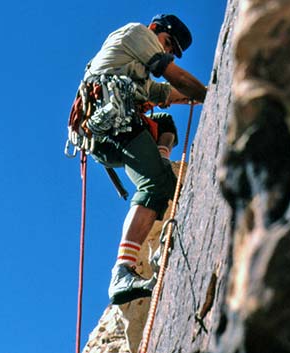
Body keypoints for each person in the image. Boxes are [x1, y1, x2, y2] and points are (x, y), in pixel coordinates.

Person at [81, 14, 207, 304]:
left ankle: (159, 163)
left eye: (173, 51)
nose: (168, 52)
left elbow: (165, 93)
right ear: (155, 30)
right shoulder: (137, 34)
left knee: (165, 124)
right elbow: (175, 76)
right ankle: (122, 272)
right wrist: (210, 92)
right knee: (155, 186)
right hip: (112, 121)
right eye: (168, 44)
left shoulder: (134, 68)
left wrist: (198, 97)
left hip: (114, 124)